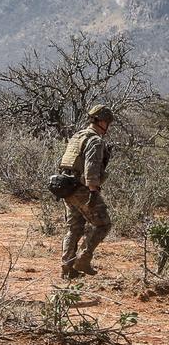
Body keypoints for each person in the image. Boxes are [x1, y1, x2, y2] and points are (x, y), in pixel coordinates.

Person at [60, 105, 114, 279]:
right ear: (102, 121)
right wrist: (93, 191)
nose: (108, 126)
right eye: (107, 122)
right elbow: (91, 169)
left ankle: (68, 268)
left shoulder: (78, 136)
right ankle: (83, 258)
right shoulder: (95, 140)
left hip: (66, 187)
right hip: (82, 189)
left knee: (74, 228)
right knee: (103, 223)